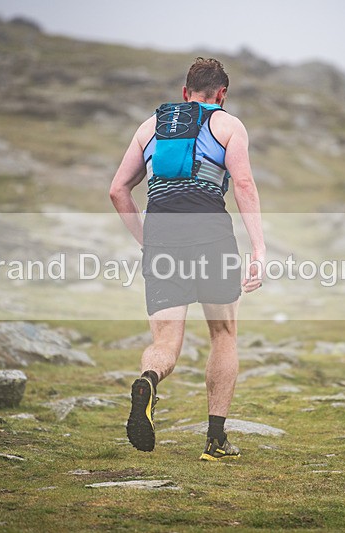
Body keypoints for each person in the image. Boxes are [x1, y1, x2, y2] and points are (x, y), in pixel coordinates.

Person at [109, 57, 265, 461]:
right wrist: (259, 249)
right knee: (223, 334)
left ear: (185, 93)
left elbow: (118, 191)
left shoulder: (150, 127)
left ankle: (148, 380)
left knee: (164, 341)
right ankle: (215, 440)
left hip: (162, 238)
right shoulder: (228, 125)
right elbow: (244, 184)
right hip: (210, 234)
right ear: (222, 94)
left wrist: (148, 240)